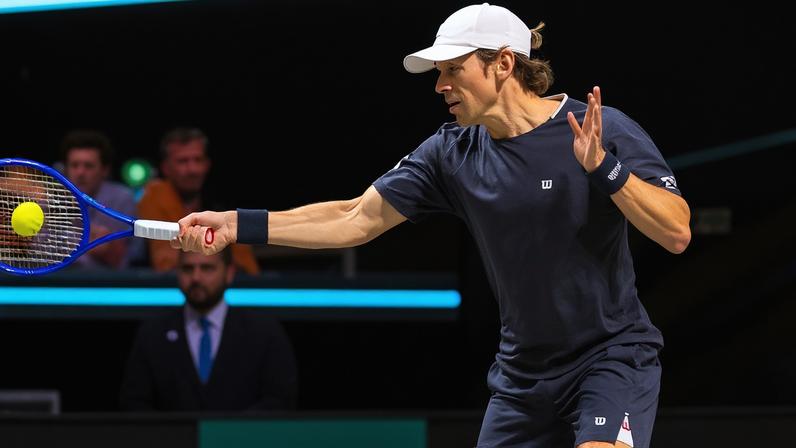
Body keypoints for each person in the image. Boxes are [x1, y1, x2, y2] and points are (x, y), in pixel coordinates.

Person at [171, 4, 690, 447]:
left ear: (504, 63)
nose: (440, 85)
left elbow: (676, 232)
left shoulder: (599, 128)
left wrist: (605, 169)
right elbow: (355, 218)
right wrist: (238, 224)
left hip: (610, 357)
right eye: (438, 72)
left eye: (452, 69)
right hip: (522, 377)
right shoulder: (451, 152)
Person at [119, 246, 298, 411]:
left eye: (207, 268)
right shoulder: (153, 333)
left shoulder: (264, 332)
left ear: (229, 273)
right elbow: (134, 403)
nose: (196, 277)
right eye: (187, 268)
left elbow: (280, 400)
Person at [136, 127, 260, 275]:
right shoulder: (154, 196)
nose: (192, 169)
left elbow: (248, 268)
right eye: (182, 161)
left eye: (198, 160)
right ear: (165, 168)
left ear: (207, 164)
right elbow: (165, 263)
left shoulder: (222, 199)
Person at [60, 129, 142, 269]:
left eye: (88, 166)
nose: (80, 172)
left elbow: (130, 260)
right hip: (55, 284)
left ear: (104, 170)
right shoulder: (49, 199)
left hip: (109, 284)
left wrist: (109, 248)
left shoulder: (122, 199)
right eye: (74, 165)